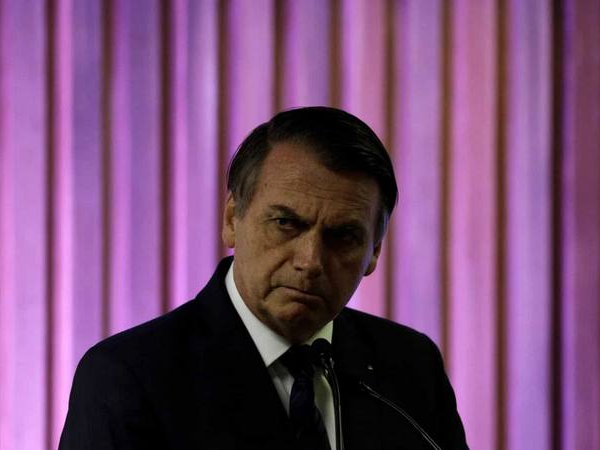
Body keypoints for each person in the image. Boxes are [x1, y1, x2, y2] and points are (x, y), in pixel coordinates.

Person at [59, 107, 468, 449]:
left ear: (374, 251)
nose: (310, 261)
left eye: (343, 236)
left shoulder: (410, 368)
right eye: (286, 223)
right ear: (231, 220)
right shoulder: (129, 378)